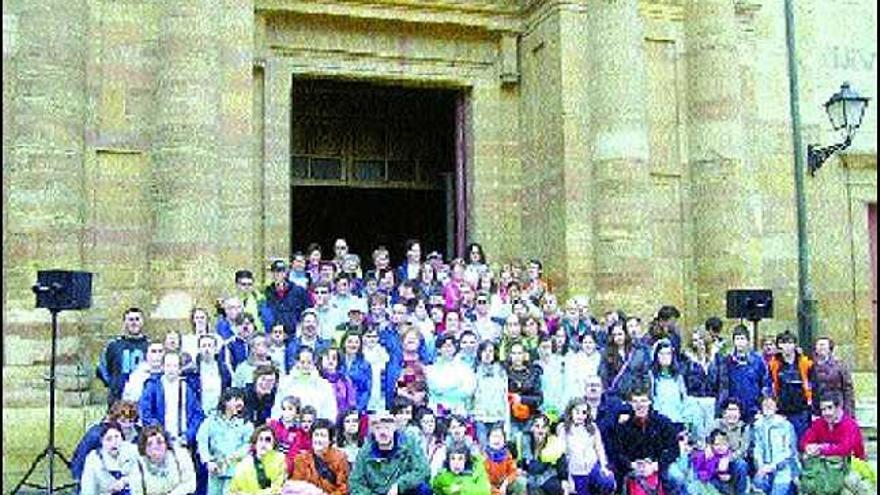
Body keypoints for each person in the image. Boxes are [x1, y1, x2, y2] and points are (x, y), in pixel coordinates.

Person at [607, 388, 681, 495]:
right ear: (630, 404)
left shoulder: (663, 422)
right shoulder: (623, 426)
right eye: (635, 402)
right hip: (631, 466)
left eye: (643, 401)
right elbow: (617, 452)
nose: (639, 405)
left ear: (650, 402)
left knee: (676, 476)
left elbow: (674, 450)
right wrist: (631, 465)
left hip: (657, 465)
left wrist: (656, 465)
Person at [349, 411, 432, 495]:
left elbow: (423, 470)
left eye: (387, 428)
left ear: (394, 428)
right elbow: (355, 483)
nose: (383, 432)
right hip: (376, 492)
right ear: (373, 431)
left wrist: (399, 485)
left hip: (403, 492)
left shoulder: (409, 443)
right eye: (378, 428)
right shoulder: (365, 452)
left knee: (423, 489)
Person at [138, 352, 204, 449]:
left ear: (180, 368)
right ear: (162, 367)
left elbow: (197, 414)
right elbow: (146, 413)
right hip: (159, 441)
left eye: (174, 366)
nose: (171, 369)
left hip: (182, 441)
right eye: (168, 365)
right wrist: (161, 434)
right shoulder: (153, 387)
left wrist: (189, 435)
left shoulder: (187, 388)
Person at [196, 388, 254, 495]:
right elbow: (202, 440)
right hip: (216, 469)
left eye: (241, 400)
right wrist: (207, 461)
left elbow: (249, 444)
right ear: (225, 401)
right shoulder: (211, 420)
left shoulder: (246, 424)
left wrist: (234, 456)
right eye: (236, 399)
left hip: (235, 470)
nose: (240, 403)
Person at [73, 400, 141, 490]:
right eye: (123, 420)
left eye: (131, 420)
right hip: (101, 479)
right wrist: (79, 481)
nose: (127, 425)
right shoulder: (96, 434)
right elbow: (80, 458)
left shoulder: (140, 434)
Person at [557, 399, 615, 495]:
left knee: (607, 481)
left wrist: (603, 466)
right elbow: (562, 455)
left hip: (592, 468)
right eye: (577, 412)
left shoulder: (593, 427)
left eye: (584, 412)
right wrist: (568, 478)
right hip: (575, 470)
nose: (581, 416)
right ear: (570, 412)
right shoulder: (564, 429)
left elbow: (599, 448)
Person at [715, 325, 770, 422]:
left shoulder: (757, 360)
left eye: (742, 338)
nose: (740, 342)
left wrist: (762, 408)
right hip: (734, 409)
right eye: (737, 339)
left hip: (753, 408)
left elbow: (765, 384)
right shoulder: (727, 361)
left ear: (747, 341)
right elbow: (722, 386)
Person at [767, 330, 815, 441]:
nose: (787, 346)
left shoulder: (806, 363)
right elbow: (769, 386)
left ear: (795, 345)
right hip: (782, 410)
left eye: (789, 343)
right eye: (783, 343)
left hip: (801, 410)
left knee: (801, 442)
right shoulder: (773, 365)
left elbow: (814, 386)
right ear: (779, 345)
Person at [98, 308, 151, 405]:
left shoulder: (150, 347)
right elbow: (102, 368)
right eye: (130, 320)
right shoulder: (113, 346)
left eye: (137, 319)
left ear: (142, 322)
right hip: (118, 399)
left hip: (144, 399)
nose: (134, 323)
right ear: (124, 322)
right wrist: (113, 385)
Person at [751, 394, 799, 495]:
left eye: (771, 404)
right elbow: (757, 448)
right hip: (763, 468)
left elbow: (789, 451)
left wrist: (773, 466)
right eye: (765, 405)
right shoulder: (757, 426)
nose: (768, 407)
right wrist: (760, 466)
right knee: (757, 484)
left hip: (783, 468)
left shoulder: (786, 425)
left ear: (776, 407)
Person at [273, 346, 338, 421]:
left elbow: (330, 412)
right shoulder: (285, 383)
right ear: (296, 362)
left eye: (309, 362)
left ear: (314, 362)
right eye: (302, 362)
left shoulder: (324, 385)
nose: (305, 366)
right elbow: (277, 410)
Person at [129, 425, 197, 495]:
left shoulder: (180, 455)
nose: (155, 447)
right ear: (143, 448)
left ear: (166, 444)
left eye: (159, 442)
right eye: (149, 444)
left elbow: (191, 483)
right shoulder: (137, 466)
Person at [79, 421, 140, 495]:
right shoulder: (93, 459)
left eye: (117, 437)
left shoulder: (133, 450)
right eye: (109, 439)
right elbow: (88, 489)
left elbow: (145, 475)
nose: (114, 442)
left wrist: (125, 481)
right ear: (102, 441)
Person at [291, 419, 350, 494]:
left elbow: (343, 488)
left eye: (323, 436)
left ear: (330, 440)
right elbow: (296, 487)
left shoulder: (340, 458)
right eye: (316, 435)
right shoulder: (301, 459)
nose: (318, 439)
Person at [517, 413, 569, 495]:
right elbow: (520, 461)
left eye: (544, 427)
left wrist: (564, 480)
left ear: (548, 429)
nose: (540, 430)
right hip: (528, 476)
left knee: (555, 487)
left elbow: (561, 463)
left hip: (547, 475)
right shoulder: (524, 440)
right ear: (532, 428)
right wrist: (520, 468)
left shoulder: (554, 442)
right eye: (537, 426)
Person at [227, 426, 288, 495]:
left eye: (267, 440)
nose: (263, 443)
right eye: (260, 439)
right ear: (255, 442)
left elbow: (277, 488)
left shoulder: (280, 460)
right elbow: (233, 490)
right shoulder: (244, 464)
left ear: (274, 443)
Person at [426, 335, 476, 416]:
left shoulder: (465, 368)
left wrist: (444, 391)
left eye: (450, 346)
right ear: (439, 349)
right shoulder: (431, 369)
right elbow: (435, 388)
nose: (447, 349)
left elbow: (468, 390)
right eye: (444, 346)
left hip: (458, 410)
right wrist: (456, 385)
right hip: (437, 411)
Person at [472, 341, 511, 446]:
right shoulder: (474, 370)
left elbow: (505, 395)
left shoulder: (501, 371)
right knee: (483, 450)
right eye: (484, 351)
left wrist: (506, 421)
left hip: (498, 416)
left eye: (491, 351)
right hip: (480, 417)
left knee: (496, 449)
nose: (488, 354)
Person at [689, 429, 749, 495]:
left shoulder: (727, 455)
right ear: (711, 445)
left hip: (725, 482)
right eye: (717, 444)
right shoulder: (707, 456)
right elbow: (700, 473)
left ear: (728, 445)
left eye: (724, 444)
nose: (721, 447)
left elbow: (731, 471)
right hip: (709, 481)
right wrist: (716, 472)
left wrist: (729, 476)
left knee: (741, 466)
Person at [262, 259, 311, 338]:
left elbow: (308, 310)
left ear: (287, 273)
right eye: (276, 272)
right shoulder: (267, 292)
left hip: (294, 334)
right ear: (272, 274)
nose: (279, 275)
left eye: (282, 271)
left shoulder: (299, 291)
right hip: (276, 335)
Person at [186, 334, 232, 415]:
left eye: (210, 346)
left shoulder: (224, 370)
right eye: (203, 346)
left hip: (219, 414)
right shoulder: (192, 371)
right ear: (199, 349)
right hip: (200, 413)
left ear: (216, 349)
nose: (207, 349)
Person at [811, 336, 856, 417]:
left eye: (823, 345)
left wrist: (849, 411)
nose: (821, 348)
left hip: (837, 406)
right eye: (818, 345)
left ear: (830, 348)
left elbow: (848, 389)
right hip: (818, 408)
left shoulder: (839, 365)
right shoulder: (811, 366)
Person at [506, 342, 543, 440]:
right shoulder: (504, 372)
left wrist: (521, 399)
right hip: (510, 417)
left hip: (530, 416)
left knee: (526, 444)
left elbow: (539, 398)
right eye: (514, 353)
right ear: (510, 355)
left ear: (524, 355)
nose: (517, 356)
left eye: (519, 353)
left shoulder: (533, 373)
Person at [483, 423, 526, 495]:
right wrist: (497, 492)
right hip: (489, 486)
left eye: (500, 437)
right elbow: (484, 480)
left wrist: (505, 483)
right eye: (494, 436)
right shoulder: (483, 456)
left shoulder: (507, 454)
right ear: (488, 439)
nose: (497, 440)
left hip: (503, 483)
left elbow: (513, 471)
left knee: (521, 481)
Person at [266, 395, 311, 462]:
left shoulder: (299, 432)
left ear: (297, 413)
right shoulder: (273, 425)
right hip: (270, 460)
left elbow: (295, 452)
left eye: (290, 409)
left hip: (287, 465)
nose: (286, 412)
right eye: (284, 409)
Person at [340, 330, 373, 414]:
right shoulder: (337, 362)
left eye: (356, 342)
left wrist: (358, 409)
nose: (353, 345)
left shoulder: (365, 365)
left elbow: (366, 390)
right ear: (344, 343)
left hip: (357, 407)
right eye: (350, 342)